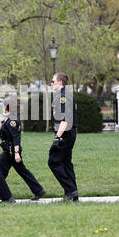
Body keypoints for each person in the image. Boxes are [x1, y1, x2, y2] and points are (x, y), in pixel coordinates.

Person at [0, 98, 46, 203]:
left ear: (6, 107)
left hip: (10, 151)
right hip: (10, 150)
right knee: (21, 171)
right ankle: (39, 190)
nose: (2, 107)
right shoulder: (9, 119)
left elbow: (16, 138)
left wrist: (16, 153)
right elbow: (8, 135)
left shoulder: (12, 121)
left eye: (3, 105)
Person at [48, 73, 79, 201]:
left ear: (60, 83)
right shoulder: (64, 94)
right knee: (66, 163)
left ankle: (71, 190)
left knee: (53, 161)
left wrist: (57, 138)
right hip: (68, 134)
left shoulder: (63, 96)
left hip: (65, 134)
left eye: (53, 81)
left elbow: (65, 120)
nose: (51, 83)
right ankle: (72, 194)